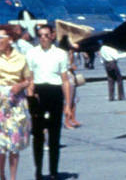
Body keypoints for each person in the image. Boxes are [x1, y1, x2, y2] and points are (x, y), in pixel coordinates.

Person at [25, 24, 72, 180]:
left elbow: (65, 80)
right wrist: (30, 99)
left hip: (55, 92)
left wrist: (68, 105)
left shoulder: (60, 54)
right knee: (37, 136)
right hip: (39, 93)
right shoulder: (32, 53)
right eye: (40, 35)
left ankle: (53, 171)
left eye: (46, 35)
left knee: (54, 135)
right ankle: (38, 170)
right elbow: (30, 79)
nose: (43, 38)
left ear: (52, 36)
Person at [0, 26, 32, 180]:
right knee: (0, 146)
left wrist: (20, 85)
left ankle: (13, 178)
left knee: (14, 144)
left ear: (10, 40)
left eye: (1, 38)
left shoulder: (21, 57)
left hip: (16, 102)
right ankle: (1, 175)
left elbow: (28, 79)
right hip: (0, 103)